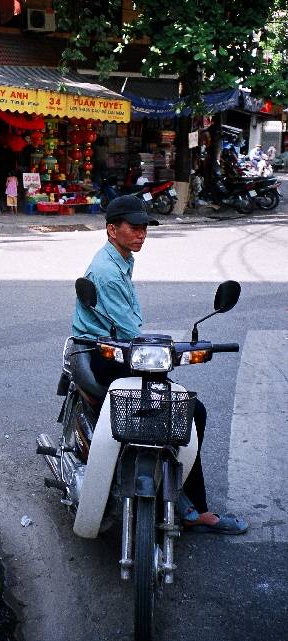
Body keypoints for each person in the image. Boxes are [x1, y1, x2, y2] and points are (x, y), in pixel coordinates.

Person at [72, 195, 248, 535]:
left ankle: (175, 490)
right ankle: (192, 507)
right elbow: (126, 330)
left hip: (114, 345)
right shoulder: (107, 271)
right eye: (134, 228)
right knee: (190, 413)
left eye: (144, 228)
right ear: (112, 230)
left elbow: (128, 324)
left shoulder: (121, 257)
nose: (141, 235)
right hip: (104, 351)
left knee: (175, 409)